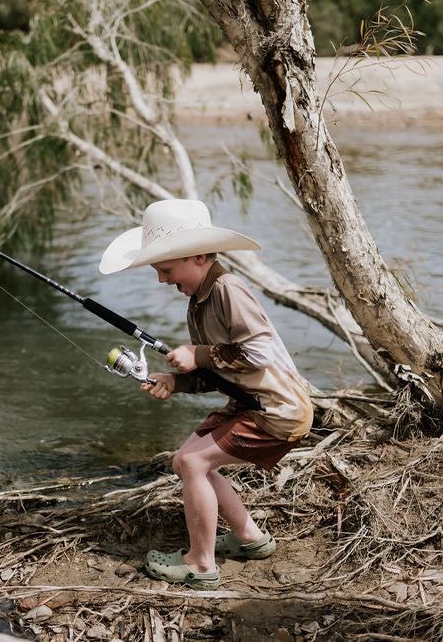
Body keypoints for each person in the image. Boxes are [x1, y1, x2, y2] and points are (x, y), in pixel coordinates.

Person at [99, 198, 315, 590]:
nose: (162, 279)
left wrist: (196, 354)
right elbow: (216, 370)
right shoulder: (197, 304)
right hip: (250, 405)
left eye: (165, 269)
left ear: (198, 256)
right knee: (184, 460)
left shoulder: (229, 289)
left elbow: (258, 354)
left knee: (195, 464)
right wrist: (176, 380)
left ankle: (201, 564)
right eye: (157, 271)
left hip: (279, 410)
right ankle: (249, 537)